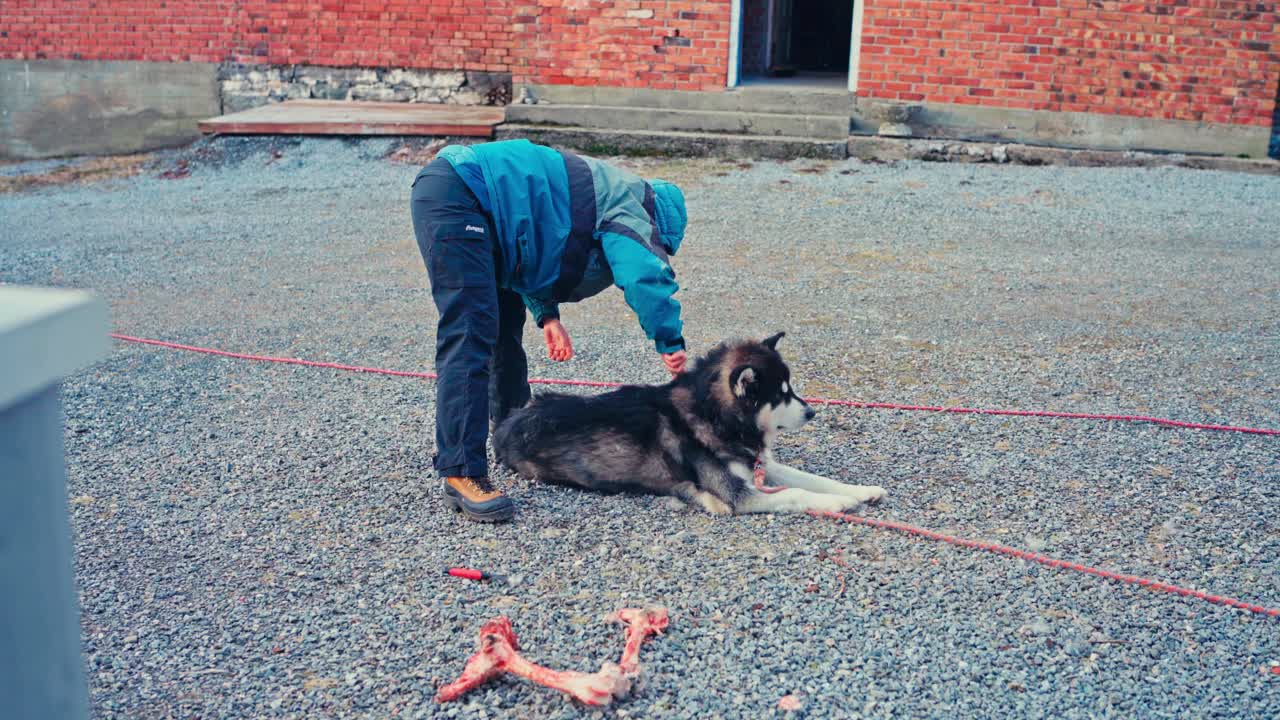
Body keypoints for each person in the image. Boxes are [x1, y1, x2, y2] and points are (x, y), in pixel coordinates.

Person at [409, 139, 689, 522]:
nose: (656, 247)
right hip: (460, 193)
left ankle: (509, 437)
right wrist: (669, 341)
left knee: (503, 332)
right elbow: (644, 275)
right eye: (660, 244)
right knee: (470, 332)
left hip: (485, 208)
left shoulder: (608, 194)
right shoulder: (632, 206)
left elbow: (536, 235)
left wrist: (547, 315)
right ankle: (461, 471)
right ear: (659, 225)